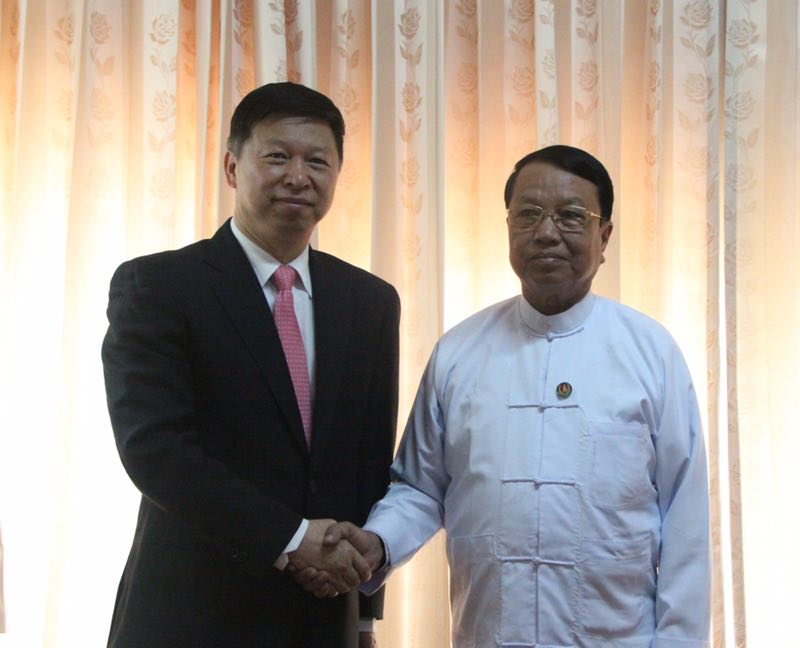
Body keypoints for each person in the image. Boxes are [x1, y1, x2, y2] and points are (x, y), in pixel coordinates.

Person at [321, 145, 710, 647]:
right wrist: (377, 543)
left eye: (572, 216)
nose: (546, 232)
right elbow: (420, 488)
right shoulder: (459, 352)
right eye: (528, 214)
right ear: (508, 227)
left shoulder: (651, 353)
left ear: (604, 236)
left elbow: (685, 520)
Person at [102, 82, 399, 648]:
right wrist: (290, 538)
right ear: (232, 167)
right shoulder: (160, 286)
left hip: (320, 617)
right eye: (277, 156)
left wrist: (363, 616)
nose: (298, 176)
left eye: (318, 161)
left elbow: (367, 463)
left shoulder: (369, 302)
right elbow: (155, 449)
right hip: (192, 610)